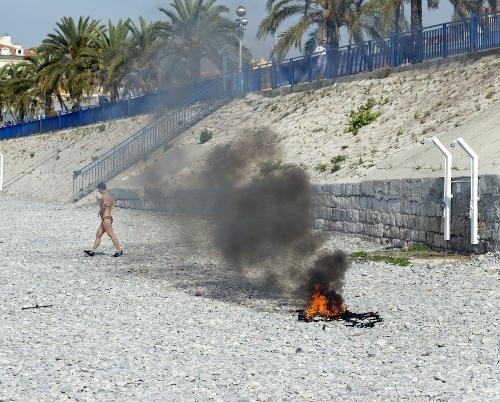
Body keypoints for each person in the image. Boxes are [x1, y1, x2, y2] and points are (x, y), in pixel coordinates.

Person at [84, 182, 123, 257]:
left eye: (99, 189)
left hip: (106, 219)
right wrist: (109, 209)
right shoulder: (107, 195)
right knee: (98, 234)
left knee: (111, 234)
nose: (99, 191)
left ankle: (119, 250)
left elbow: (105, 204)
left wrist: (100, 211)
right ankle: (92, 251)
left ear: (101, 189)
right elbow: (113, 202)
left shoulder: (105, 195)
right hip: (106, 219)